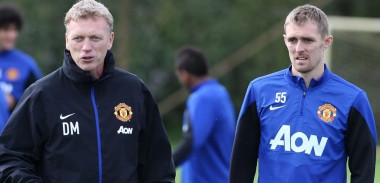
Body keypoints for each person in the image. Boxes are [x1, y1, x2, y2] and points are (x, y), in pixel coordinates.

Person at [0, 0, 175, 182]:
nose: (86, 48)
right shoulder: (41, 94)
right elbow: (10, 159)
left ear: (110, 40)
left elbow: (159, 165)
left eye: (95, 38)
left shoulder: (134, 91)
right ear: (67, 41)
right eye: (78, 38)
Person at [230, 4, 377, 183]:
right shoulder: (259, 91)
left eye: (307, 40)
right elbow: (241, 164)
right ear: (285, 40)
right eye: (292, 40)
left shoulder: (353, 99)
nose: (299, 48)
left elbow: (363, 172)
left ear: (326, 42)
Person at [173, 46, 236, 183]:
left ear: (185, 74)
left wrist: (163, 166)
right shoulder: (219, 92)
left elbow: (191, 141)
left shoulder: (203, 97)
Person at [0, 4, 42, 113]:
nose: (12, 35)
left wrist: (13, 103)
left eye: (14, 30)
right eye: (6, 29)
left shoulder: (26, 64)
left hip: (10, 128)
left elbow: (39, 103)